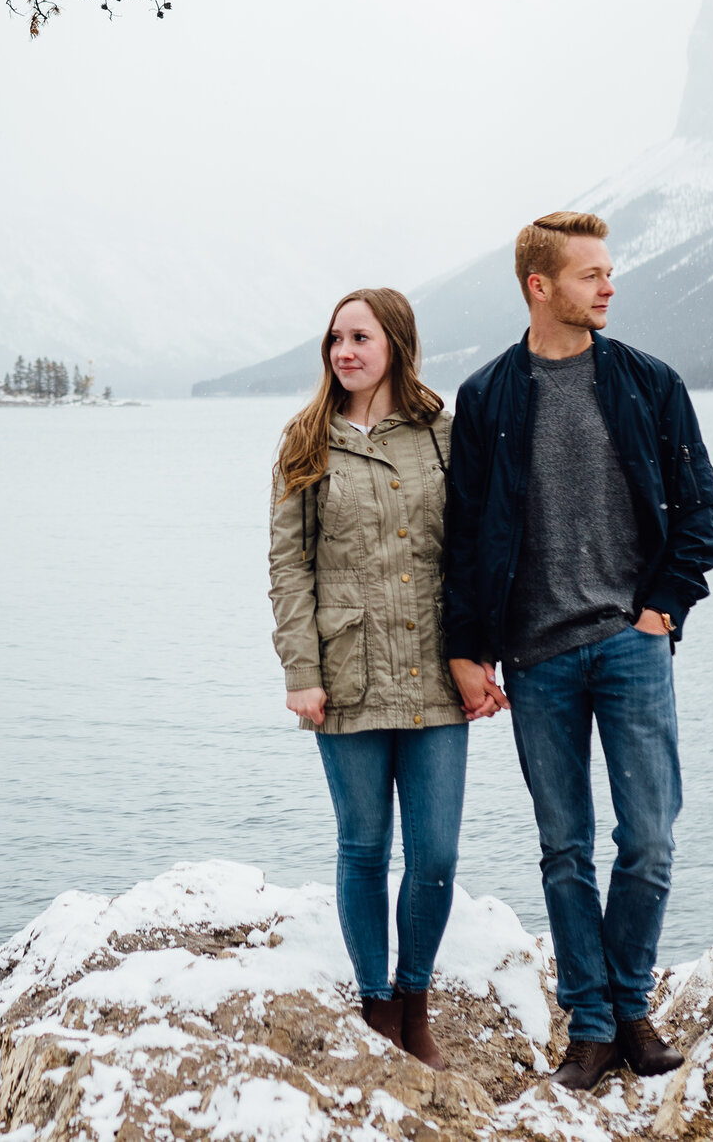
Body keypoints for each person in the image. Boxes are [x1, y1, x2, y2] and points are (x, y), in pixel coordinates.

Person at [441, 211, 713, 1091]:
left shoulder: (648, 382)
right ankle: (594, 1030)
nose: (609, 285)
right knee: (564, 848)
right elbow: (464, 539)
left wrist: (661, 610)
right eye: (590, 273)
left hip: (632, 647)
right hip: (536, 659)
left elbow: (701, 512)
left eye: (608, 271)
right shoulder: (489, 396)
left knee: (649, 841)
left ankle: (631, 1006)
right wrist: (468, 650)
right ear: (540, 285)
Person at [268, 287, 484, 1072]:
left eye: (359, 336)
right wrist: (302, 671)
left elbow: (472, 553)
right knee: (364, 847)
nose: (343, 352)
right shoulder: (306, 440)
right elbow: (289, 565)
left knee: (435, 855)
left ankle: (415, 999)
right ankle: (375, 1005)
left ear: (395, 341)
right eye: (334, 339)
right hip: (346, 674)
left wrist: (479, 654)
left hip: (434, 674)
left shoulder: (443, 435)